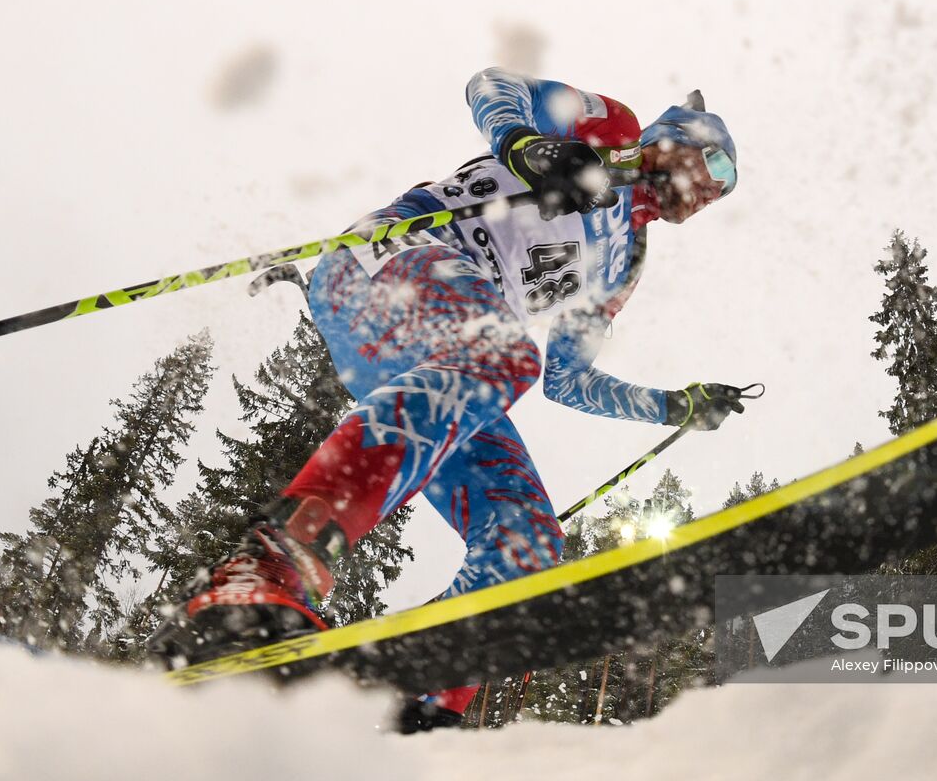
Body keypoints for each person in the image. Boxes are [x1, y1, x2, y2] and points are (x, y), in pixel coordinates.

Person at [151, 67, 748, 730]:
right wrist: (525, 144)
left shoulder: (625, 260)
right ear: (677, 134)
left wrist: (674, 407)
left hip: (444, 359)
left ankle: (418, 708)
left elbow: (567, 380)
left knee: (529, 541)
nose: (713, 190)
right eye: (717, 162)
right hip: (388, 263)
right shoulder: (614, 128)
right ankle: (260, 572)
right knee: (502, 353)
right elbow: (493, 84)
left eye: (726, 190)